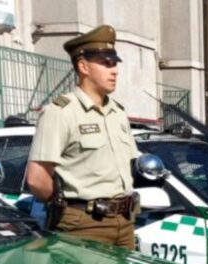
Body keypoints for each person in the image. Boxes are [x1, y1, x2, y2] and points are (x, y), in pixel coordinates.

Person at [26, 25, 140, 250]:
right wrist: (67, 208)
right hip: (85, 225)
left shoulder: (118, 113)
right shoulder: (61, 112)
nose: (114, 70)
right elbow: (37, 179)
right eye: (106, 63)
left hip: (125, 222)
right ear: (83, 66)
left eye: (115, 63)